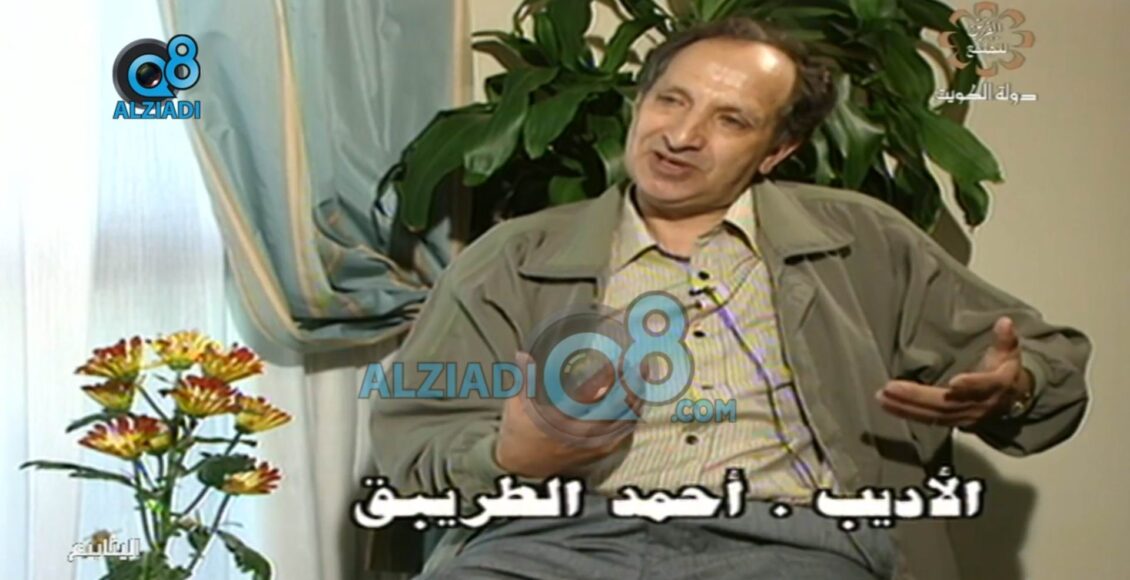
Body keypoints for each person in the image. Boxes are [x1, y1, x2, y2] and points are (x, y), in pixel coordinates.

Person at [369, 17, 1091, 580]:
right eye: (671, 100)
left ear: (777, 150)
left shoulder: (863, 241)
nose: (682, 136)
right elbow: (415, 441)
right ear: (640, 103)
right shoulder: (514, 257)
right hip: (547, 543)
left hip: (792, 545)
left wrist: (1016, 387)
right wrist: (508, 456)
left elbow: (1042, 359)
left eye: (731, 120)